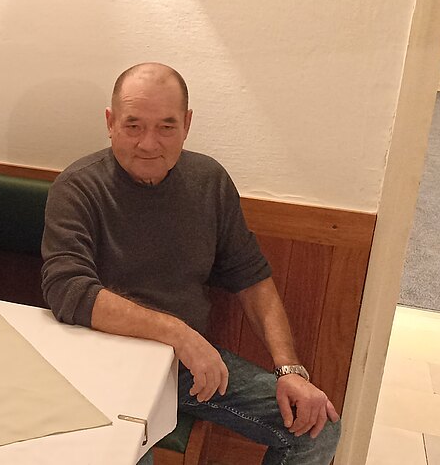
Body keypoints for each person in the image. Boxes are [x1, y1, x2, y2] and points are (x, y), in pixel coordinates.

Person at [41, 63, 341, 464]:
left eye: (166, 127)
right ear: (110, 123)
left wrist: (289, 369)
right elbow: (68, 291)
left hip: (188, 368)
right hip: (103, 364)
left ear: (187, 124)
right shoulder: (78, 186)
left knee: (316, 427)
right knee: (125, 453)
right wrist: (178, 334)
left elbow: (252, 278)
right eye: (133, 126)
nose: (148, 143)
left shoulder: (209, 181)